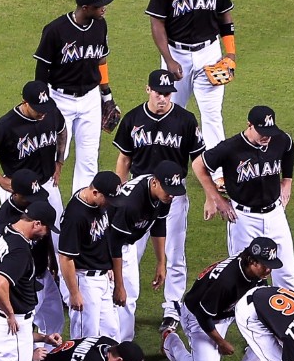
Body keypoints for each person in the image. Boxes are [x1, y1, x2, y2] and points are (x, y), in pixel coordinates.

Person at [114, 70, 202, 327]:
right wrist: (118, 195)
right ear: (148, 90)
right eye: (158, 93)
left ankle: (172, 309)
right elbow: (124, 159)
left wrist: (211, 194)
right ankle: (122, 309)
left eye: (167, 94)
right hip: (139, 192)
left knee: (175, 252)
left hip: (173, 193)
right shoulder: (133, 118)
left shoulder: (185, 120)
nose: (163, 98)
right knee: (129, 253)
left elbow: (197, 160)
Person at [196, 105, 294, 295]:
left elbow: (289, 147)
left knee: (286, 275)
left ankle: (288, 321)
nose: (266, 136)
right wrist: (215, 197)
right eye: (262, 131)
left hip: (275, 214)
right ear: (249, 125)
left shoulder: (279, 139)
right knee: (244, 278)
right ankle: (250, 322)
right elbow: (198, 165)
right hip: (243, 218)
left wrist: (287, 180)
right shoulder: (230, 148)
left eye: (269, 131)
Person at [147, 0, 237, 148]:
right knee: (171, 111)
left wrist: (230, 53)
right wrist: (168, 60)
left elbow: (225, 17)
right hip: (176, 54)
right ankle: (169, 165)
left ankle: (217, 172)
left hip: (210, 53)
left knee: (212, 114)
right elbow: (157, 24)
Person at [162, 238, 280, 361]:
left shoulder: (251, 268)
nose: (269, 270)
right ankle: (169, 341)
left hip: (227, 310)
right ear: (252, 261)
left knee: (272, 322)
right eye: (266, 265)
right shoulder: (226, 282)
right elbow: (203, 316)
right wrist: (221, 342)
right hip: (198, 317)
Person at [34, 0, 115, 195]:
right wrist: (43, 105)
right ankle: (46, 207)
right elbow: (42, 69)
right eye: (99, 6)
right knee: (54, 155)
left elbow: (101, 60)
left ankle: (83, 208)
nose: (103, 9)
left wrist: (106, 95)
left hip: (90, 99)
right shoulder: (55, 30)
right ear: (85, 7)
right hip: (60, 99)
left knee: (89, 158)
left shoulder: (100, 25)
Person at [104, 162, 185, 342]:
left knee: (129, 298)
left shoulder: (163, 195)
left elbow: (159, 224)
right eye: (168, 189)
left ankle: (124, 349)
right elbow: (114, 241)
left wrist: (161, 263)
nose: (171, 194)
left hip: (126, 243)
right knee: (110, 301)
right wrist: (119, 282)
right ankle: (106, 351)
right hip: (105, 247)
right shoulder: (131, 203)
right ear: (155, 182)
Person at [0, 81, 66, 224]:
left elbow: (62, 131)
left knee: (57, 236)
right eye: (37, 108)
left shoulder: (50, 112)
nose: (42, 113)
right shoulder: (6, 125)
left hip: (47, 185)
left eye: (44, 108)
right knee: (19, 240)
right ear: (25, 102)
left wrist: (59, 162)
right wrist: (0, 180)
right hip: (21, 193)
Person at [0, 202, 53, 361]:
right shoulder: (20, 250)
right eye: (46, 228)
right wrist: (10, 314)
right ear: (36, 224)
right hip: (11, 323)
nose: (46, 234)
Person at [57, 170, 123, 341]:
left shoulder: (97, 204)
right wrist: (74, 293)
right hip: (84, 280)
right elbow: (65, 257)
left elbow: (102, 238)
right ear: (95, 192)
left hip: (102, 278)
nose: (110, 204)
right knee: (86, 337)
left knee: (111, 330)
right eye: (108, 199)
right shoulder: (76, 215)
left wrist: (108, 266)